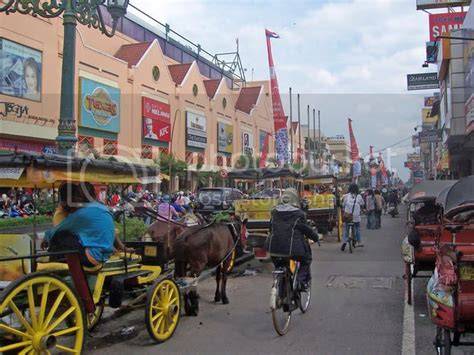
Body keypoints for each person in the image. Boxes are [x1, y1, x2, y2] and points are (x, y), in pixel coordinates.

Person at [44, 183, 115, 267]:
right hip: (105, 254)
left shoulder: (81, 214)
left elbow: (56, 231)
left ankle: (54, 269)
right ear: (94, 195)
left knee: (60, 236)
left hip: (94, 256)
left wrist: (45, 238)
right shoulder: (102, 208)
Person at [266, 188, 319, 290]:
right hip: (293, 249)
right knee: (306, 259)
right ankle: (300, 282)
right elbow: (307, 230)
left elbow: (270, 228)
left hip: (273, 247)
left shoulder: (274, 212)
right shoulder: (299, 214)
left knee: (279, 264)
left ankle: (280, 281)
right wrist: (315, 237)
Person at [341, 184, 365, 251]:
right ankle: (359, 241)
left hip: (348, 216)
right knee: (357, 228)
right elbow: (362, 204)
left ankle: (345, 241)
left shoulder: (346, 196)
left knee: (346, 229)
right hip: (356, 216)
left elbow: (343, 204)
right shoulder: (359, 196)